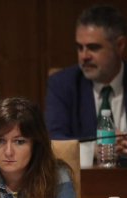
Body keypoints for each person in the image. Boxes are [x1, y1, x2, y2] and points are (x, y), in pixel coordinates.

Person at [45, 5, 127, 154]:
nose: (84, 56)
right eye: (79, 47)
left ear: (120, 46)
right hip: (84, 177)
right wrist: (95, 150)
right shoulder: (62, 84)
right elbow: (54, 141)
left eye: (93, 47)